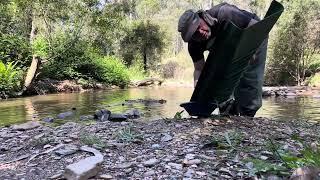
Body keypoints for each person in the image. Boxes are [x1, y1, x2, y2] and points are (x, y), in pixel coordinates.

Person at [178, 3, 268, 117]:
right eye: (194, 34)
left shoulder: (226, 13)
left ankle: (248, 113)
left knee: (249, 77)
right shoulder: (193, 45)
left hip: (254, 31)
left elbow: (256, 29)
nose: (200, 32)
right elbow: (199, 69)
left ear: (202, 17)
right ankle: (228, 110)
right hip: (228, 42)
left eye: (198, 27)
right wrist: (199, 92)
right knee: (219, 76)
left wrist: (251, 52)